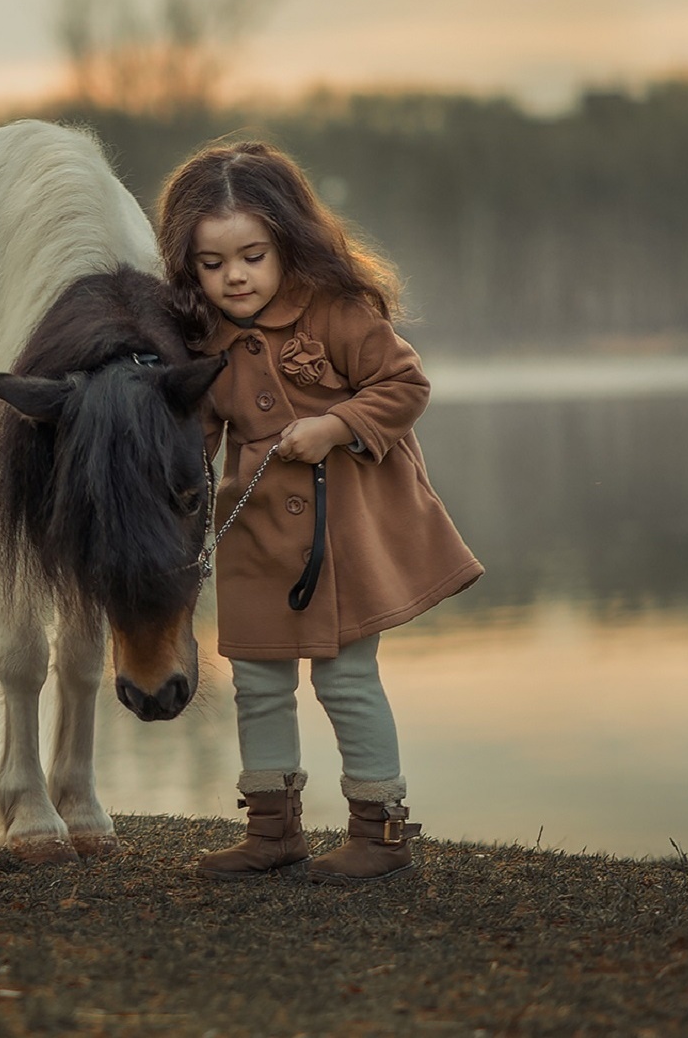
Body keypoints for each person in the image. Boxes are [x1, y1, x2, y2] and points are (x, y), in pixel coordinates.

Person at [156, 140, 483, 885]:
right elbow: (193, 438)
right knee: (259, 682)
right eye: (213, 264)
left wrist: (335, 426)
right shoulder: (202, 337)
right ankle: (273, 831)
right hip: (258, 538)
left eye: (252, 256)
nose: (234, 276)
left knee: (346, 679)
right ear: (188, 264)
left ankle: (381, 831)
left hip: (347, 534)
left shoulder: (336, 311)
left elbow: (406, 387)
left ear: (286, 244)